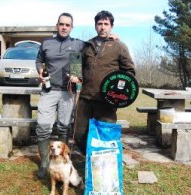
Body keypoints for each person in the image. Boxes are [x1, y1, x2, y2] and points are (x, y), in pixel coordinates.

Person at [73, 10, 136, 155]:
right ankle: (91, 159)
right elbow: (77, 63)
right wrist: (75, 75)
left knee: (106, 135)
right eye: (99, 24)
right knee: (79, 134)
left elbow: (129, 71)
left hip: (107, 100)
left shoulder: (119, 46)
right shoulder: (87, 45)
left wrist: (118, 89)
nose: (102, 27)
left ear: (111, 26)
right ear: (95, 26)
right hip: (85, 98)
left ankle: (104, 167)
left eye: (106, 24)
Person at [35, 12, 84, 179]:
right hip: (49, 90)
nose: (64, 27)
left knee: (64, 127)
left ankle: (62, 160)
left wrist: (112, 37)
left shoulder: (77, 45)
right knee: (42, 127)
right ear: (57, 25)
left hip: (67, 92)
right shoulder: (47, 43)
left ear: (72, 27)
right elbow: (39, 60)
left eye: (67, 25)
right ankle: (44, 163)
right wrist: (41, 71)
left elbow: (93, 50)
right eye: (61, 24)